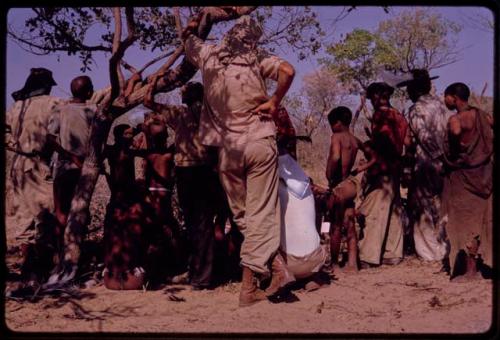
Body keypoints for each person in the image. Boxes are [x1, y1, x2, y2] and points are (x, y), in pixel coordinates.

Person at [183, 15, 296, 306]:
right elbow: (288, 70)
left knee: (244, 216)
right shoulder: (257, 57)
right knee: (261, 214)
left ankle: (271, 273)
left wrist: (197, 21)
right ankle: (255, 283)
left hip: (227, 150)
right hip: (258, 141)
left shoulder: (207, 55)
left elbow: (188, 38)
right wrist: (275, 100)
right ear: (252, 40)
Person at [144, 79, 219, 290]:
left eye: (183, 91)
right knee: (204, 223)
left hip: (188, 171)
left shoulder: (179, 113)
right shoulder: (211, 113)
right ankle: (199, 273)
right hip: (207, 171)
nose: (180, 94)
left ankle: (201, 277)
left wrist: (153, 83)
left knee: (194, 223)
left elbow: (148, 102)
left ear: (190, 95)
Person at [5, 67, 61, 283]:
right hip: (38, 164)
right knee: (46, 214)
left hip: (18, 164)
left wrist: (16, 146)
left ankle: (28, 270)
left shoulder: (16, 107)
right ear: (46, 85)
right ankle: (39, 270)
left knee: (23, 217)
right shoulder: (53, 103)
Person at [397, 70, 450, 264]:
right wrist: (446, 160)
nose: (408, 92)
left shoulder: (416, 109)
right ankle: (444, 248)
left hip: (427, 162)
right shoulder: (441, 106)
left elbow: (424, 138)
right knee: (442, 206)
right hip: (445, 161)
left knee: (423, 207)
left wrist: (436, 158)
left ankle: (429, 253)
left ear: (415, 88)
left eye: (409, 88)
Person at [442, 82, 493, 281]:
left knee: (466, 223)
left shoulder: (457, 119)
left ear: (454, 97)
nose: (444, 100)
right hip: (485, 176)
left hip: (464, 178)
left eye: (445, 96)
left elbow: (455, 132)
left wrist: (458, 149)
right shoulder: (482, 115)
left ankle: (471, 271)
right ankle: (476, 266)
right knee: (479, 221)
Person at [356, 82, 408, 268]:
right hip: (395, 168)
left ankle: (369, 256)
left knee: (374, 211)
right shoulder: (400, 116)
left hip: (383, 169)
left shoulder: (382, 115)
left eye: (372, 98)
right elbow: (407, 141)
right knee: (393, 209)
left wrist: (370, 151)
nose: (371, 101)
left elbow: (383, 142)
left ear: (377, 96)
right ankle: (392, 253)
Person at [48, 76, 98, 266]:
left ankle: (64, 255)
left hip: (66, 167)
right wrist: (76, 158)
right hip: (82, 167)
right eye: (91, 87)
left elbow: (51, 139)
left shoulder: (60, 110)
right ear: (87, 91)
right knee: (77, 211)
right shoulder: (94, 110)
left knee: (62, 212)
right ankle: (65, 255)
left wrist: (68, 156)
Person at [101, 124, 149, 290]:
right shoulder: (112, 150)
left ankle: (131, 263)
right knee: (115, 229)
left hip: (128, 195)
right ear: (119, 136)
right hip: (119, 197)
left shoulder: (130, 150)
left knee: (132, 229)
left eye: (131, 134)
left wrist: (139, 131)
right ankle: (113, 264)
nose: (131, 137)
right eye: (127, 134)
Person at [325, 106, 364, 272]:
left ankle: (334, 264)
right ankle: (352, 264)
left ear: (338, 123)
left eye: (332, 124)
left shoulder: (337, 136)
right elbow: (373, 155)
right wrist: (357, 171)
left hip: (339, 185)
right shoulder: (354, 140)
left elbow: (335, 156)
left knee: (335, 226)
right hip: (351, 184)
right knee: (349, 224)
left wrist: (330, 176)